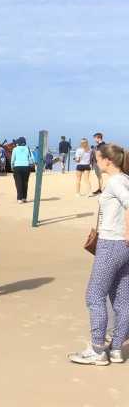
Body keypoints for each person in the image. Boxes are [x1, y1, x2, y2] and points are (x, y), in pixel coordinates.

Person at [68, 143, 129, 366]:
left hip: (111, 244)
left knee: (94, 296)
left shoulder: (114, 182)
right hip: (122, 247)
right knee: (122, 300)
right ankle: (115, 350)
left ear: (107, 161)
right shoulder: (125, 179)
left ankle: (97, 350)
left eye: (97, 159)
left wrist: (127, 232)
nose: (95, 162)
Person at [10, 137, 33, 203]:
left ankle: (19, 199)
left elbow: (13, 159)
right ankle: (24, 198)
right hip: (26, 167)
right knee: (25, 182)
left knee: (18, 183)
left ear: (18, 142)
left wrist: (12, 166)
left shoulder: (15, 149)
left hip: (17, 167)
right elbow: (32, 158)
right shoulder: (28, 149)